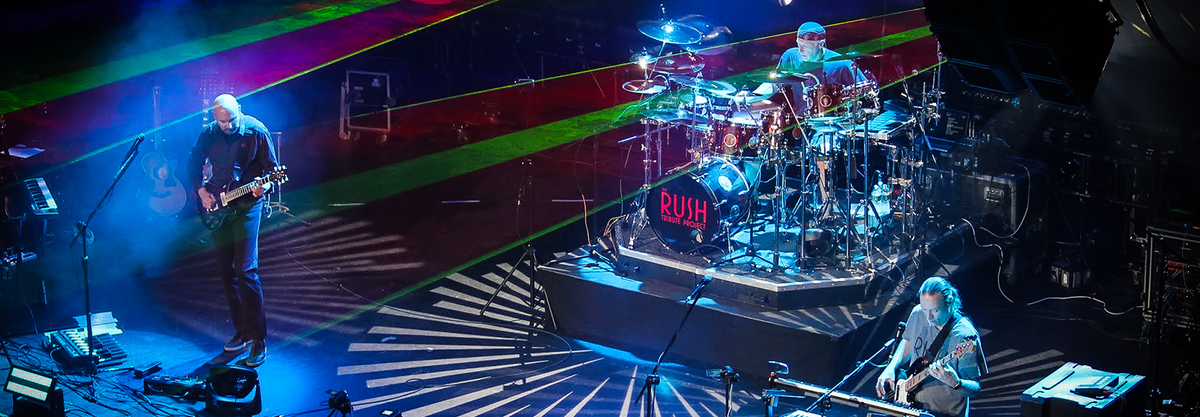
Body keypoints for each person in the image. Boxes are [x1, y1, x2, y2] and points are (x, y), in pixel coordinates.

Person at [186, 94, 277, 368]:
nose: (228, 126)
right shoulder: (209, 133)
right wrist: (201, 192)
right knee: (227, 273)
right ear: (215, 117)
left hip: (248, 206)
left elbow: (273, 171)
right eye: (222, 122)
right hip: (218, 205)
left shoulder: (256, 131)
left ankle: (258, 339)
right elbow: (192, 163)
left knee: (245, 270)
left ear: (240, 110)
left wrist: (265, 186)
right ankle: (242, 332)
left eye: (232, 120)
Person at [875, 277, 987, 417]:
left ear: (950, 302)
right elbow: (908, 342)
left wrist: (955, 382)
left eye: (935, 310)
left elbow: (975, 389)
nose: (928, 317)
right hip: (909, 408)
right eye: (925, 309)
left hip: (943, 414)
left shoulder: (965, 336)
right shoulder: (917, 313)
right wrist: (891, 367)